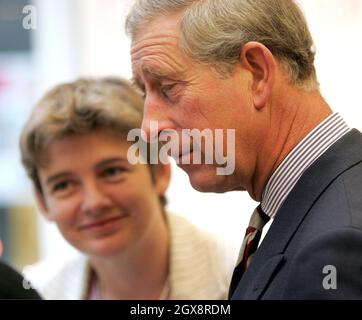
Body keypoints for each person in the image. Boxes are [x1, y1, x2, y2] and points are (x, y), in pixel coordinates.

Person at [126, 0, 362, 299]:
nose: (148, 128)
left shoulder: (339, 242)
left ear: (258, 74)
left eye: (167, 87)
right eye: (143, 91)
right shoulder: (323, 207)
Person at [19, 77, 235, 300]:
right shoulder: (35, 291)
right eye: (63, 185)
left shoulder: (238, 274)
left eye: (112, 172)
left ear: (160, 171)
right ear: (43, 203)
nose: (94, 203)